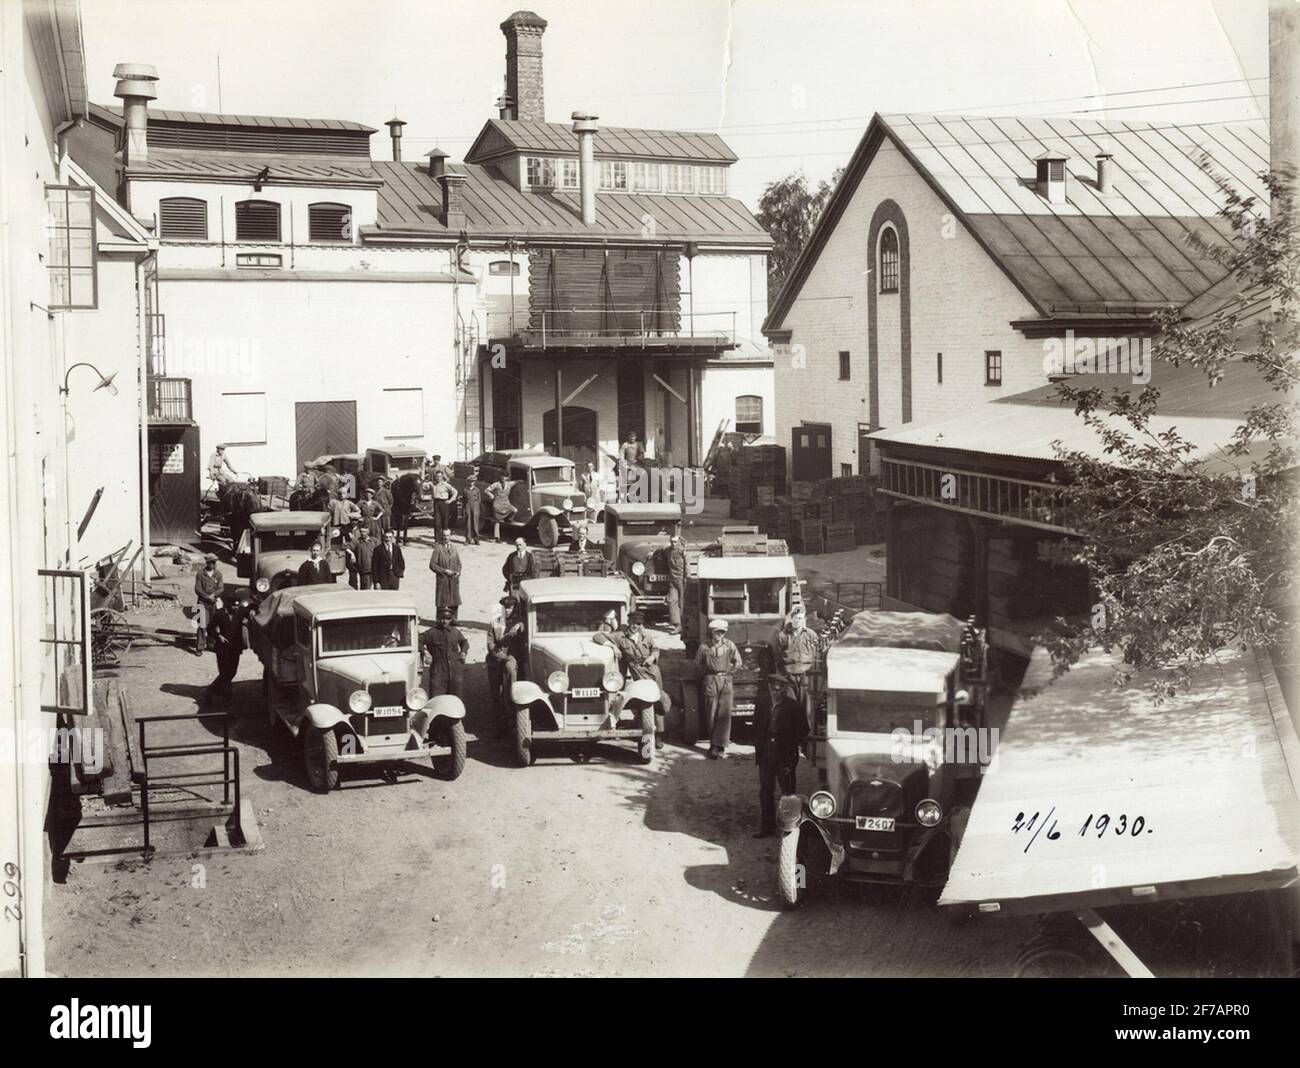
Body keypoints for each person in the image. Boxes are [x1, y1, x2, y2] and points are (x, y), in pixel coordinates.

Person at [594, 610, 669, 749]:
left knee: (657, 700)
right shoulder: (620, 636)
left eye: (639, 624)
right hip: (636, 671)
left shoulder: (646, 635)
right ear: (629, 622)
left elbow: (656, 648)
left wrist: (652, 657)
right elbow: (598, 636)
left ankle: (659, 735)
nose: (636, 626)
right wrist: (613, 646)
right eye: (634, 623)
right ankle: (642, 725)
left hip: (652, 671)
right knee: (642, 698)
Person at [754, 675, 809, 838]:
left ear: (784, 689)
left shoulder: (793, 706)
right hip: (766, 751)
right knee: (765, 790)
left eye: (779, 688)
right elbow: (756, 725)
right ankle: (767, 827)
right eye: (772, 688)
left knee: (788, 792)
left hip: (784, 752)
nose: (775, 692)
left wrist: (792, 749)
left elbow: (803, 730)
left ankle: (789, 828)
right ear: (769, 687)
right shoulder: (762, 703)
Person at [695, 618, 743, 759]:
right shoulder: (704, 647)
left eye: (722, 633)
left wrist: (730, 671)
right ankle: (713, 744)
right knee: (711, 712)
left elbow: (738, 662)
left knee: (725, 713)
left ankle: (720, 745)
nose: (719, 636)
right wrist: (707, 673)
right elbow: (697, 664)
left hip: (726, 680)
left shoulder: (730, 646)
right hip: (710, 680)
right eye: (717, 633)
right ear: (712, 632)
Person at [771, 605, 819, 723]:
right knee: (789, 706)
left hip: (806, 675)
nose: (799, 621)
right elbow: (777, 656)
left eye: (801, 618)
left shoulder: (811, 634)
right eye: (797, 618)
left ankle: (806, 735)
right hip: (789, 676)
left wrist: (810, 670)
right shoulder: (783, 636)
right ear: (792, 618)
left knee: (806, 706)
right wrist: (785, 674)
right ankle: (791, 736)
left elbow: (816, 653)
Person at [486, 597, 523, 733]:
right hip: (496, 658)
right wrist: (502, 656)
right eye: (505, 608)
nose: (507, 610)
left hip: (512, 656)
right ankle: (499, 725)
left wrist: (519, 626)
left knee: (512, 685)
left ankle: (513, 721)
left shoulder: (519, 622)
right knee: (497, 693)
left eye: (510, 608)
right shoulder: (496, 622)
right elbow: (491, 646)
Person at [422, 607, 469, 698]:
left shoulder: (455, 632)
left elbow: (465, 642)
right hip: (438, 671)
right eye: (442, 618)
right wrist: (425, 652)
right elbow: (418, 640)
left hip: (455, 671)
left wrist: (463, 652)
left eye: (447, 619)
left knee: (456, 699)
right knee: (437, 699)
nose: (444, 621)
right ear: (438, 619)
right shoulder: (431, 633)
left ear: (451, 620)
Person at [207, 592, 245, 702]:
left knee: (232, 672)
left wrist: (252, 610)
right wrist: (218, 636)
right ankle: (227, 699)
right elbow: (210, 629)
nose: (236, 608)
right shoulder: (220, 614)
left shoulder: (240, 611)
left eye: (237, 605)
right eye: (234, 606)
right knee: (225, 674)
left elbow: (252, 609)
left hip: (235, 649)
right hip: (222, 649)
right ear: (228, 604)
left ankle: (211, 690)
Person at [427, 528, 462, 620]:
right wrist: (444, 571)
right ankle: (440, 620)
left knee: (454, 599)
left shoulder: (454, 548)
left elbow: (458, 563)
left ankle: (454, 619)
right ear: (442, 536)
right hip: (443, 578)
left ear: (451, 536)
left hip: (453, 579)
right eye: (444, 535)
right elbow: (432, 565)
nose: (446, 537)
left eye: (448, 535)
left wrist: (458, 571)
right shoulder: (438, 549)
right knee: (441, 600)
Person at [193, 553, 223, 655]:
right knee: (202, 625)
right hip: (202, 603)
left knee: (212, 624)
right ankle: (199, 647)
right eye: (212, 562)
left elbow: (221, 588)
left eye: (215, 562)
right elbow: (197, 588)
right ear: (207, 563)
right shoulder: (201, 574)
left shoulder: (218, 574)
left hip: (213, 603)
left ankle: (211, 644)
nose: (214, 564)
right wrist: (206, 597)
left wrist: (214, 595)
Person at [665, 533, 687, 635]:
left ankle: (684, 625)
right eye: (671, 542)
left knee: (682, 603)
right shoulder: (668, 551)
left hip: (682, 580)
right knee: (671, 601)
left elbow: (687, 565)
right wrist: (652, 552)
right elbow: (660, 550)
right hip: (672, 580)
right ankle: (677, 624)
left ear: (678, 542)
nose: (673, 544)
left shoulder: (682, 551)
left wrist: (687, 577)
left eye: (675, 542)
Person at [462, 473, 483, 545]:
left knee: (475, 522)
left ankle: (476, 539)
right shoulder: (465, 490)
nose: (471, 483)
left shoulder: (477, 490)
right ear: (468, 482)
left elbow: (479, 499)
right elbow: (464, 499)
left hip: (475, 505)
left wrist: (476, 505)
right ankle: (468, 539)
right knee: (468, 522)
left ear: (475, 482)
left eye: (473, 481)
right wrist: (465, 507)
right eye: (470, 481)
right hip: (468, 504)